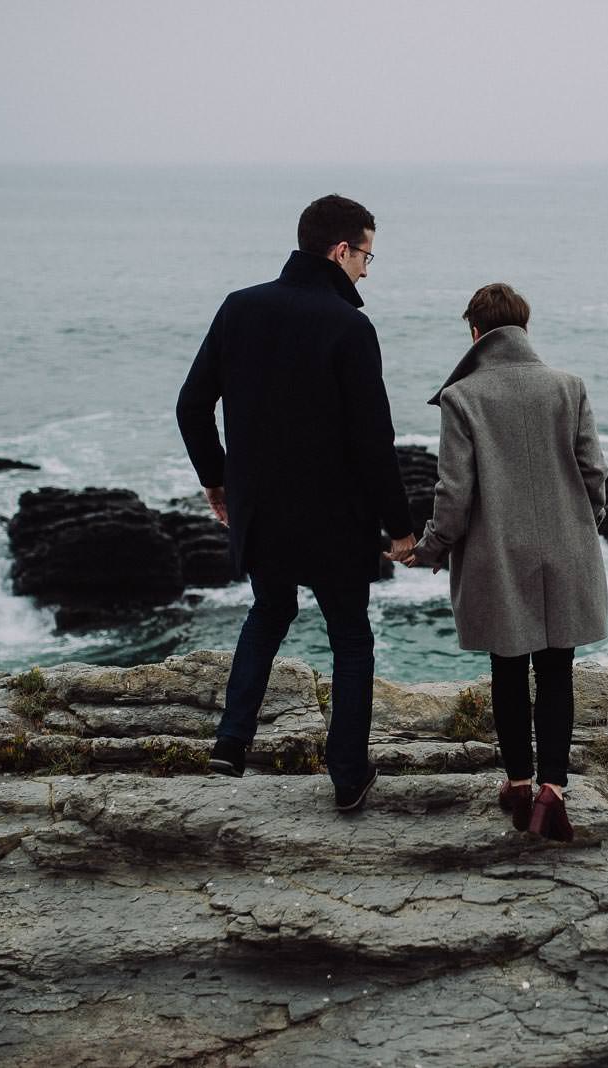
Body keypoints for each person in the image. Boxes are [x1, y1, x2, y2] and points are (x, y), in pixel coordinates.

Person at [177, 194, 414, 812]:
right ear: (340, 251)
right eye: (366, 256)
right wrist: (401, 526)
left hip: (262, 513)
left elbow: (191, 406)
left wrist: (217, 479)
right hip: (335, 521)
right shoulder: (349, 326)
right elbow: (373, 441)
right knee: (350, 637)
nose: (366, 269)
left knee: (269, 611)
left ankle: (231, 742)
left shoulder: (240, 308)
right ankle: (347, 774)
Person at [391, 283, 608, 841]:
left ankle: (517, 784)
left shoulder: (464, 397)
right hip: (566, 546)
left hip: (497, 554)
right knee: (558, 669)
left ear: (475, 332)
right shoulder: (569, 387)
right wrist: (586, 525)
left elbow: (454, 492)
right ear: (525, 327)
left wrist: (433, 546)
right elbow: (594, 475)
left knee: (508, 668)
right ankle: (552, 794)